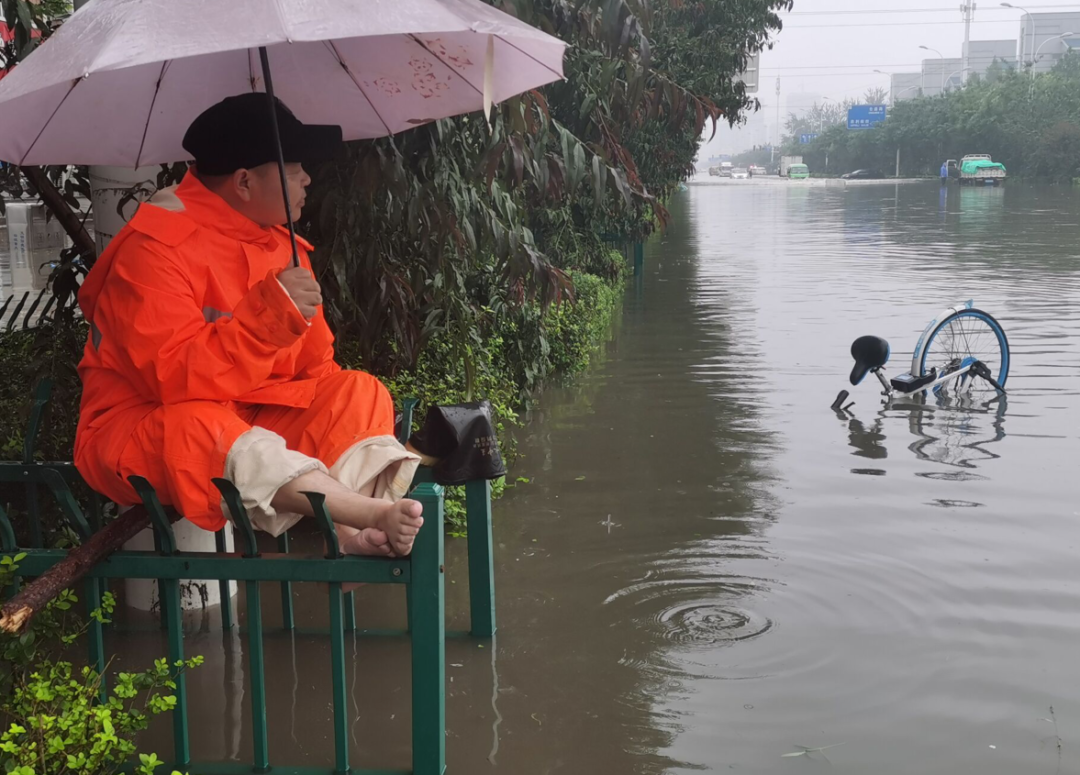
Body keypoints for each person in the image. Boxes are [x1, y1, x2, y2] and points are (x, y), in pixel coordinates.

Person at [74, 94, 425, 557]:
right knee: (202, 426)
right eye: (293, 166)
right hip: (143, 424)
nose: (306, 178)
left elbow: (314, 372)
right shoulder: (153, 250)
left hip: (249, 412)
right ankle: (366, 514)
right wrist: (269, 319)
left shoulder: (282, 245)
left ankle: (348, 539)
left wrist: (292, 331)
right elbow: (171, 378)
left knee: (356, 391)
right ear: (243, 181)